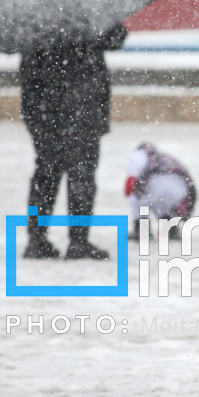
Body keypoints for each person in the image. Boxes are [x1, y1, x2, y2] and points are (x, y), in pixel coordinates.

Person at [19, 24, 127, 260]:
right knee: (82, 174)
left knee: (46, 172)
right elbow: (115, 37)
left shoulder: (33, 14)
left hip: (42, 105)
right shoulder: (85, 11)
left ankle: (37, 239)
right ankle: (78, 241)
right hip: (81, 104)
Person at [125, 142, 196, 239]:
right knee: (163, 206)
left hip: (156, 184)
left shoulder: (140, 154)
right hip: (180, 188)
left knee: (139, 201)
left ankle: (142, 232)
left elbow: (133, 175)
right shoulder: (165, 158)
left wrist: (130, 189)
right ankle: (171, 230)